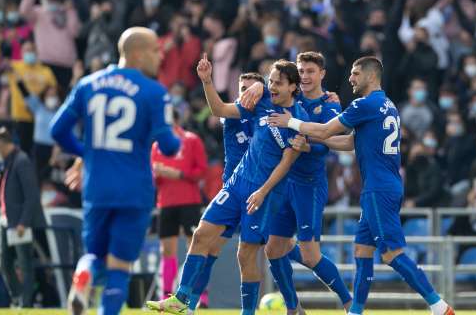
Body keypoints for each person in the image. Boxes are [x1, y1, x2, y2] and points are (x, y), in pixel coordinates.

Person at [267, 56, 454, 315]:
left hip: (378, 188)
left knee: (390, 254)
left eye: (355, 74)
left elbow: (324, 131)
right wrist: (316, 138)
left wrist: (292, 123)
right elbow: (348, 142)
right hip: (383, 184)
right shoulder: (387, 105)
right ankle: (355, 311)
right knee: (362, 251)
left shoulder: (364, 104)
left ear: (370, 75)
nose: (350, 79)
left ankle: (438, 305)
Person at [146, 56, 306, 315]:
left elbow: (287, 162)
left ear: (293, 88)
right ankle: (182, 299)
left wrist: (263, 191)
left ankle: (249, 312)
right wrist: (207, 80)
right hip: (235, 184)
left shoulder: (298, 119)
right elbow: (219, 109)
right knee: (200, 236)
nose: (272, 86)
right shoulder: (261, 103)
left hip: (264, 193)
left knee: (245, 255)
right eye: (270, 81)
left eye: (278, 83)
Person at [50, 27, 180, 315]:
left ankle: (83, 274)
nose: (161, 57)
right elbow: (169, 146)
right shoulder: (154, 91)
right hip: (134, 190)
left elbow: (57, 130)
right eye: (155, 51)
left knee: (95, 255)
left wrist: (89, 152)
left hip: (96, 187)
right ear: (136, 54)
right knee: (120, 264)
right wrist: (177, 140)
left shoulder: (88, 84)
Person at [241, 51, 352, 312]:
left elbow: (327, 147)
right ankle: (293, 308)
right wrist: (258, 83)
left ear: (322, 74)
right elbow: (270, 87)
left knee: (311, 255)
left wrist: (307, 147)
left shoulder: (330, 106)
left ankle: (349, 303)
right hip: (285, 182)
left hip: (309, 185)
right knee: (273, 248)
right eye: (301, 71)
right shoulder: (293, 97)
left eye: (310, 71)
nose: (304, 76)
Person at [151, 109, 207, 302]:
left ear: (176, 121)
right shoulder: (156, 146)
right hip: (166, 202)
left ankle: (200, 297)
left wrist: (179, 175)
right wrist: (157, 174)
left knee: (195, 247)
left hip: (189, 201)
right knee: (166, 250)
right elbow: (152, 178)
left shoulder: (191, 140)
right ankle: (166, 295)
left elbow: (202, 171)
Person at [0, 127, 46, 308]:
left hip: (20, 223)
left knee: (25, 264)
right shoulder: (9, 162)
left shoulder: (21, 161)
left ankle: (26, 304)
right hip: (6, 220)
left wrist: (23, 222)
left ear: (2, 144)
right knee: (4, 262)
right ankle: (18, 296)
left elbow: (32, 196)